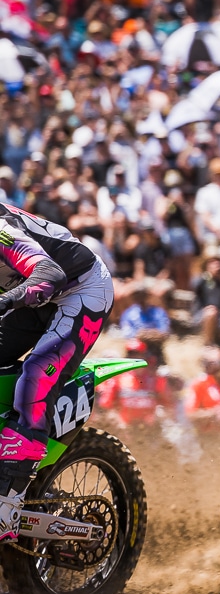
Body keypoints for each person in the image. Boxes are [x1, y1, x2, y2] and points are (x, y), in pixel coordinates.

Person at [0, 203, 114, 542]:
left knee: (36, 376)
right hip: (28, 298)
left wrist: (7, 301)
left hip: (80, 290)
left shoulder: (3, 233)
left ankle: (9, 500)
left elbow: (49, 274)